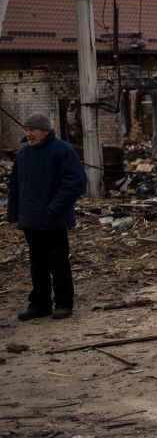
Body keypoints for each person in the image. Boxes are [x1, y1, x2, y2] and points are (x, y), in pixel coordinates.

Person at [6, 114, 87, 320]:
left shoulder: (61, 150)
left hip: (53, 219)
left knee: (58, 261)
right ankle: (40, 304)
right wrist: (13, 213)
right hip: (31, 220)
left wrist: (54, 208)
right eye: (26, 129)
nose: (28, 133)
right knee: (37, 263)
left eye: (32, 129)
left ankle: (63, 303)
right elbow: (15, 185)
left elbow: (75, 182)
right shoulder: (24, 155)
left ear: (45, 131)